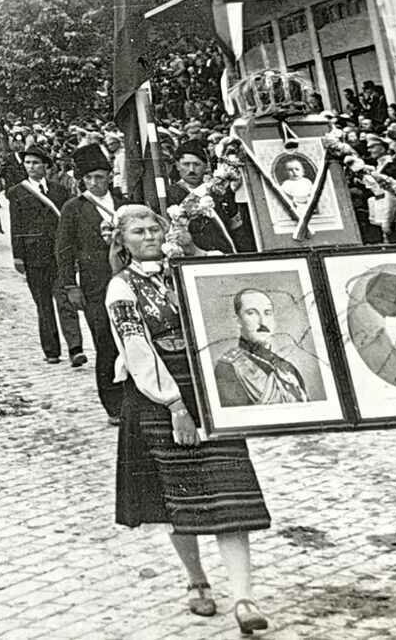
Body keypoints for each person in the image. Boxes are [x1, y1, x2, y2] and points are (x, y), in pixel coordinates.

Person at [106, 204, 271, 633]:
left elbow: (228, 273)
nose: (148, 236)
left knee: (230, 488)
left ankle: (244, 597)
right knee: (176, 496)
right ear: (122, 241)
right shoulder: (121, 289)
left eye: (153, 228)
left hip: (209, 385)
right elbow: (137, 349)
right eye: (138, 231)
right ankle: (197, 579)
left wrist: (192, 248)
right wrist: (175, 404)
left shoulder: (188, 269)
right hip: (158, 390)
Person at [56, 144, 123, 423]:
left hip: (128, 280)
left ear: (109, 176)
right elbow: (64, 249)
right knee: (105, 343)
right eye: (88, 178)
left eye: (99, 176)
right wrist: (70, 285)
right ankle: (113, 406)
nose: (94, 183)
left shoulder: (124, 202)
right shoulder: (74, 208)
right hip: (95, 285)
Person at [9, 145, 84, 366]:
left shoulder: (59, 191)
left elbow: (69, 225)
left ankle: (75, 348)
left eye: (36, 163)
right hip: (33, 256)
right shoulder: (17, 192)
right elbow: (16, 226)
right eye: (28, 163)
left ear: (46, 167)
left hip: (59, 255)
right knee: (43, 305)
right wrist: (18, 256)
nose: (31, 167)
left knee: (65, 302)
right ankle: (51, 350)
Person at [213, 289, 310, 406]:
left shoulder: (288, 368)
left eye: (267, 313)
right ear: (238, 321)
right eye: (251, 313)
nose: (263, 322)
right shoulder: (228, 368)